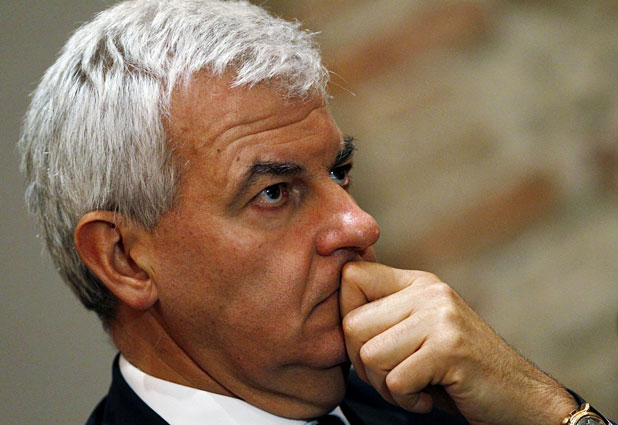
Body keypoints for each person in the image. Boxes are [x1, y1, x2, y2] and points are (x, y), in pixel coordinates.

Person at [18, 1, 614, 424]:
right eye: (275, 193)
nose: (360, 224)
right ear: (124, 259)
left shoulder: (444, 404)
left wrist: (546, 412)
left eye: (338, 172)